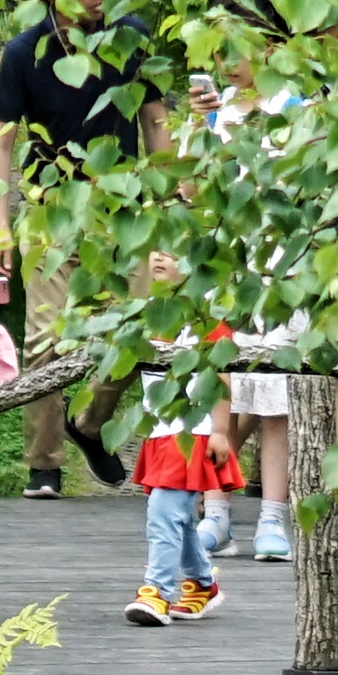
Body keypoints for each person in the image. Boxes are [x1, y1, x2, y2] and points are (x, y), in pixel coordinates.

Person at [0, 0, 151, 492]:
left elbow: (155, 117)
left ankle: (91, 425)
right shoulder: (24, 53)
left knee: (139, 327)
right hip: (51, 210)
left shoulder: (131, 37)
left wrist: (172, 195)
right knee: (44, 340)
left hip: (123, 210)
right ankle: (44, 465)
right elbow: (1, 142)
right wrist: (2, 226)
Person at [119, 246, 238, 625]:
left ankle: (157, 590)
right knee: (178, 518)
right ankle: (202, 583)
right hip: (160, 430)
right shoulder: (150, 313)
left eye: (171, 252)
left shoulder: (205, 317)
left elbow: (221, 376)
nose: (159, 258)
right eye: (155, 250)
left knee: (163, 513)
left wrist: (220, 430)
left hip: (194, 430)